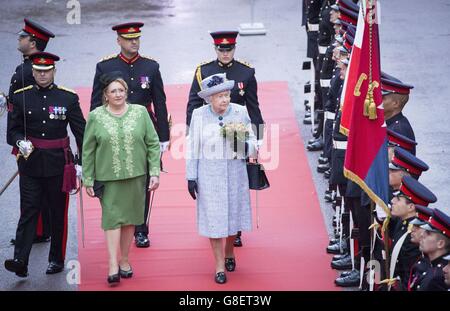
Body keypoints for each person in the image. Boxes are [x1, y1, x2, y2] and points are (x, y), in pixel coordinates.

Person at [4, 52, 85, 277]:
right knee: (29, 210)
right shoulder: (20, 97)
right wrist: (20, 141)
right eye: (38, 71)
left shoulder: (67, 98)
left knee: (57, 212)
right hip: (30, 165)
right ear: (33, 72)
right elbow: (12, 132)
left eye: (46, 71)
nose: (42, 75)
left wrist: (82, 163)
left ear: (53, 71)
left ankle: (56, 259)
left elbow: (82, 133)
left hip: (59, 165)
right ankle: (20, 259)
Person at [90, 22, 170, 248]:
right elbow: (96, 103)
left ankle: (141, 229)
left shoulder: (151, 67)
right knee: (114, 176)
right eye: (128, 38)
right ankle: (118, 221)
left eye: (136, 38)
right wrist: (93, 134)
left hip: (142, 132)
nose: (134, 42)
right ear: (118, 41)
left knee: (142, 180)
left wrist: (163, 136)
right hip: (112, 130)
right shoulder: (105, 67)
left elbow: (160, 102)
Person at [186, 30, 264, 247]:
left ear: (234, 49)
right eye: (222, 49)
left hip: (237, 132)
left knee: (235, 187)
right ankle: (217, 230)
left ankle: (234, 230)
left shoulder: (246, 72)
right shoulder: (203, 71)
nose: (225, 53)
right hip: (210, 132)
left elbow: (253, 108)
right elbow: (193, 104)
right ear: (216, 49)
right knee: (215, 189)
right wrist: (192, 133)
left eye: (229, 49)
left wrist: (257, 142)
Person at [82, 74, 161, 285]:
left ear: (126, 92)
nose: (118, 94)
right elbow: (88, 150)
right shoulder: (96, 116)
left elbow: (153, 143)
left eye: (121, 90)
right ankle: (112, 265)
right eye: (113, 91)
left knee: (131, 220)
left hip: (137, 176)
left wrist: (154, 171)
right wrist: (88, 179)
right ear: (105, 95)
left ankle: (125, 260)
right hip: (108, 178)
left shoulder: (140, 112)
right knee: (112, 219)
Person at [186, 73, 257, 284]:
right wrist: (191, 176)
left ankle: (229, 252)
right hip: (209, 175)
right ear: (209, 99)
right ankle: (219, 265)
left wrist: (243, 145)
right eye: (219, 97)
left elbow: (253, 140)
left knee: (233, 217)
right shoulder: (198, 115)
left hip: (235, 172)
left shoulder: (240, 111)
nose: (225, 100)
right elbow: (193, 148)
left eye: (226, 95)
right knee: (214, 219)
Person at [7, 18, 55, 245]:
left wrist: (20, 142)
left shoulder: (28, 71)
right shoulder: (26, 68)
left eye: (23, 37)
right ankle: (41, 228)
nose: (19, 39)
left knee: (31, 188)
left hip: (27, 137)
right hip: (25, 136)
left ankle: (35, 231)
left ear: (33, 42)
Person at [388, 176, 437, 289]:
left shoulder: (413, 237)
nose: (392, 201)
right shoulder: (403, 222)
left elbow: (408, 275)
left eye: (398, 199)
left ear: (410, 207)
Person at [414, 209, 450, 291]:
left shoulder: (439, 276)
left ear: (440, 244)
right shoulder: (430, 264)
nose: (422, 235)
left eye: (428, 233)